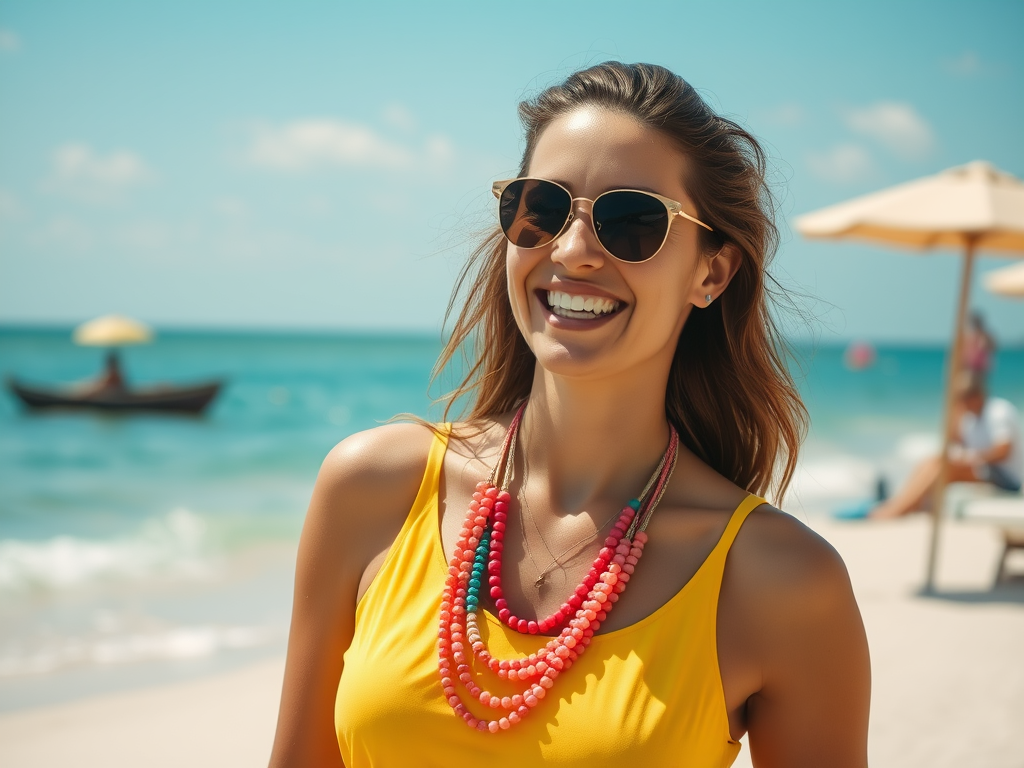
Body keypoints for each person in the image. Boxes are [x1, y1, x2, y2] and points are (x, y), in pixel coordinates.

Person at [269, 62, 870, 767]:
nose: (574, 251)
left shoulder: (781, 581)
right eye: (541, 209)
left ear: (712, 273)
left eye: (633, 222)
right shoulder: (372, 488)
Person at [871, 373, 1022, 519]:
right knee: (932, 461)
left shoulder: (998, 411)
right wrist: (956, 414)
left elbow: (1004, 451)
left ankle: (901, 509)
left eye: (963, 400)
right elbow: (955, 441)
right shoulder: (972, 418)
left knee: (945, 466)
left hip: (1007, 479)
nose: (963, 404)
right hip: (987, 471)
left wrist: (972, 457)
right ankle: (899, 505)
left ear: (976, 396)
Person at [962, 311, 996, 379]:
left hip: (980, 367)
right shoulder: (969, 335)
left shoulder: (984, 335)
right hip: (970, 366)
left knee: (976, 384)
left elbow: (992, 347)